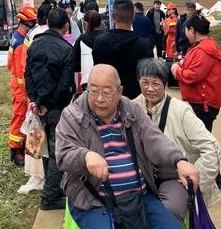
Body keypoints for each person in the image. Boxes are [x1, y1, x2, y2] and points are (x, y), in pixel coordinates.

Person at [55, 64, 199, 229]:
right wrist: (85, 156)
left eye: (107, 93)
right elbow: (63, 154)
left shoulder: (132, 110)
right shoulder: (72, 115)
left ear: (119, 91)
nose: (99, 99)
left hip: (138, 195)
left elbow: (156, 140)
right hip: (93, 199)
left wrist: (178, 160)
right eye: (93, 91)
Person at [135, 57, 221, 210]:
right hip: (143, 177)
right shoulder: (132, 108)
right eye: (145, 83)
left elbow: (211, 148)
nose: (150, 88)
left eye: (156, 83)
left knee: (170, 211)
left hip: (175, 177)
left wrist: (193, 181)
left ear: (165, 84)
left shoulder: (181, 111)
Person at [25, 8, 75, 210]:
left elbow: (27, 76)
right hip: (55, 108)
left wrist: (36, 101)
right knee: (56, 152)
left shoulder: (34, 44)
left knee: (44, 150)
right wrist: (47, 104)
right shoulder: (66, 49)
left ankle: (52, 187)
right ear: (65, 25)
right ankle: (49, 197)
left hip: (38, 108)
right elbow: (64, 85)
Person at [19, 1, 53, 194]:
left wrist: (31, 96)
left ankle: (36, 172)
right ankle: (45, 172)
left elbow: (26, 68)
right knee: (45, 133)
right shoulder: (54, 34)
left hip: (34, 93)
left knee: (35, 132)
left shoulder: (31, 36)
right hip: (49, 95)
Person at [92, 0, 153, 99]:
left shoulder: (100, 41)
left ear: (112, 16)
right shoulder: (144, 45)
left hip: (107, 98)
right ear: (133, 17)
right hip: (134, 101)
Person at [171, 14, 221, 131]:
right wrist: (181, 64)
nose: (185, 34)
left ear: (192, 30)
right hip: (202, 102)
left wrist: (177, 71)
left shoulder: (203, 50)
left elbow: (193, 75)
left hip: (202, 104)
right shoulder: (203, 46)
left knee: (200, 138)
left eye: (186, 31)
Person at [7, 6, 37, 166]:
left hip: (17, 85)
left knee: (21, 117)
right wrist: (25, 94)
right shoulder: (20, 44)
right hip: (21, 88)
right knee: (19, 117)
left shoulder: (16, 37)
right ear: (27, 24)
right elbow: (21, 71)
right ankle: (15, 150)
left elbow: (9, 65)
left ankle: (19, 147)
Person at [73, 11, 105, 90]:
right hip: (106, 79)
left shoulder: (81, 40)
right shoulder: (107, 38)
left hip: (87, 80)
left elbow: (75, 65)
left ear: (86, 24)